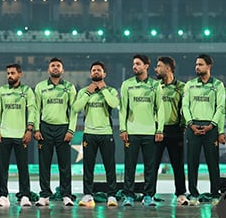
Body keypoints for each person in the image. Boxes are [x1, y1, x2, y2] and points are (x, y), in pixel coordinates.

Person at [72, 61, 119, 207]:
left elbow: (114, 104)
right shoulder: (84, 91)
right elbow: (76, 107)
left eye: (99, 70)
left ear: (104, 74)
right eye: (93, 70)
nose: (96, 72)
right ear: (90, 73)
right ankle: (87, 195)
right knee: (88, 166)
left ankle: (111, 195)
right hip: (89, 133)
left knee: (109, 166)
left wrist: (103, 90)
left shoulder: (111, 90)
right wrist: (88, 92)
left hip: (106, 133)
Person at [119, 54, 164, 206]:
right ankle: (129, 196)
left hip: (150, 132)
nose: (134, 67)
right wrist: (123, 129)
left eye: (138, 64)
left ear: (146, 66)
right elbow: (123, 109)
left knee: (150, 167)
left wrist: (159, 130)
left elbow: (160, 109)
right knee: (129, 166)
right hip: (132, 132)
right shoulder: (127, 84)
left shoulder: (155, 85)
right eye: (133, 64)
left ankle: (148, 196)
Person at [33, 57, 77, 207]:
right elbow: (36, 109)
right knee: (44, 164)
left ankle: (66, 195)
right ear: (48, 70)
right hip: (45, 128)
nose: (55, 68)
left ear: (62, 70)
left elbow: (74, 111)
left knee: (64, 165)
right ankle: (44, 195)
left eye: (58, 65)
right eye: (53, 66)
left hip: (63, 128)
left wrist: (71, 130)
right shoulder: (40, 87)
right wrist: (37, 128)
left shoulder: (69, 87)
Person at [182, 54, 226, 205]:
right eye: (196, 64)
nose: (197, 67)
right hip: (193, 127)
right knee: (192, 163)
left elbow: (220, 107)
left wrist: (213, 125)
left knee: (213, 163)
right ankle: (193, 194)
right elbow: (185, 106)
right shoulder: (190, 84)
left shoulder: (218, 85)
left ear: (209, 66)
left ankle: (215, 195)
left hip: (210, 127)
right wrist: (190, 124)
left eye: (200, 64)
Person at [0, 63, 36, 208]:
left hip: (21, 134)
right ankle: (3, 195)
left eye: (12, 73)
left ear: (20, 74)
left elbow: (32, 110)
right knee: (2, 167)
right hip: (4, 134)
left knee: (23, 167)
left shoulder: (27, 91)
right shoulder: (1, 91)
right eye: (8, 73)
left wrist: (29, 129)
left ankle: (24, 195)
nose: (9, 76)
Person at [154, 56, 188, 205]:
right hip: (157, 130)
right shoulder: (155, 86)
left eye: (159, 66)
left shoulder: (181, 87)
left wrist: (184, 124)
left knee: (177, 163)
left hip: (175, 129)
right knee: (153, 164)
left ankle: (181, 193)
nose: (156, 69)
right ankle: (149, 194)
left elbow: (185, 108)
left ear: (168, 68)